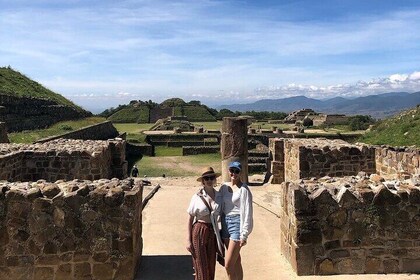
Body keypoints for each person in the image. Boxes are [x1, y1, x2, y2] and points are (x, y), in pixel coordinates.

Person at [187, 167, 224, 280]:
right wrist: (188, 240)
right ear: (203, 181)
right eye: (206, 178)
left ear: (214, 179)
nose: (209, 180)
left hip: (213, 232)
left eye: (211, 177)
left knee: (211, 265)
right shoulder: (197, 197)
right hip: (199, 231)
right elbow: (190, 219)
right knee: (201, 266)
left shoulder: (219, 196)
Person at [220, 161, 253, 280]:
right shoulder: (224, 187)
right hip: (225, 223)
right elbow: (217, 203)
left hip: (237, 224)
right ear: (229, 171)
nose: (234, 173)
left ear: (240, 173)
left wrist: (244, 235)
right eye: (232, 170)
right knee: (236, 260)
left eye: (237, 171)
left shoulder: (244, 190)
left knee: (228, 264)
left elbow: (248, 212)